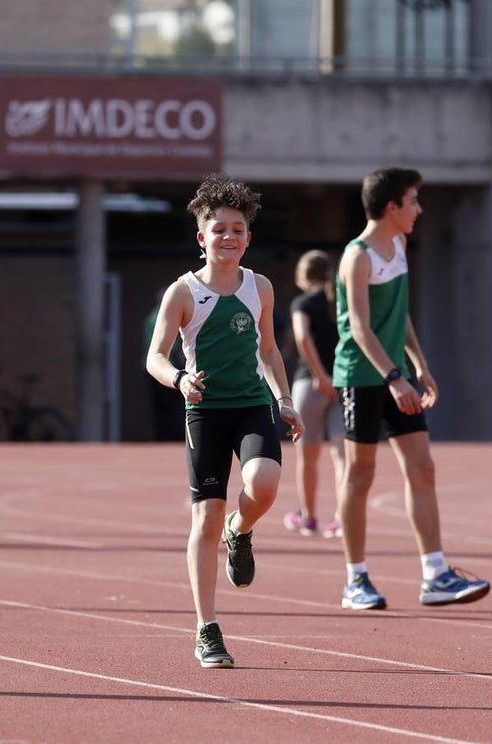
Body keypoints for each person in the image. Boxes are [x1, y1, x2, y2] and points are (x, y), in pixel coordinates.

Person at [146, 173, 304, 668]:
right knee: (205, 518)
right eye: (219, 230)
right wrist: (178, 379)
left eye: (237, 229)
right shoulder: (183, 294)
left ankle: (244, 527)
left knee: (265, 482)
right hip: (205, 412)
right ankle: (206, 629)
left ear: (248, 238)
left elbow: (271, 350)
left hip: (252, 403)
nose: (229, 237)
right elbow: (154, 356)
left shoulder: (260, 286)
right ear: (202, 238)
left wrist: (284, 398)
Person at [334, 166, 489, 611]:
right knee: (360, 476)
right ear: (391, 207)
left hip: (396, 373)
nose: (419, 209)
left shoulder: (399, 245)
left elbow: (398, 315)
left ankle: (435, 573)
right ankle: (355, 579)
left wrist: (419, 365)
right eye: (414, 200)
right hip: (362, 377)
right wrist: (393, 377)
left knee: (422, 469)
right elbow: (361, 329)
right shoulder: (357, 256)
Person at [283, 250, 345, 538]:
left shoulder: (303, 303)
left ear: (303, 275)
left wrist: (321, 376)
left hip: (310, 382)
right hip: (343, 382)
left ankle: (308, 517)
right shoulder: (340, 301)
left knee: (307, 455)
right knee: (342, 455)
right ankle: (342, 518)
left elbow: (302, 337)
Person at [142, 287, 185, 441]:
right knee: (174, 406)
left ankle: (162, 435)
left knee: (159, 406)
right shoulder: (166, 316)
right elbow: (173, 348)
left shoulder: (150, 317)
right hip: (169, 368)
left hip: (150, 369)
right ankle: (173, 436)